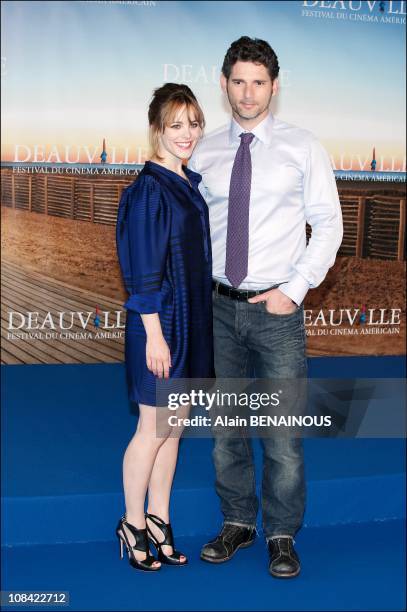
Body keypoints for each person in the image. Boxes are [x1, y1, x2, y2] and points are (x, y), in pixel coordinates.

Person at [189, 36, 343, 578]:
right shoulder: (202, 150)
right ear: (225, 83)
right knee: (227, 428)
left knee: (282, 433)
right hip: (217, 309)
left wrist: (294, 289)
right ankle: (237, 523)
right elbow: (192, 231)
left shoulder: (303, 146)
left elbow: (329, 225)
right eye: (238, 81)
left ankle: (281, 533)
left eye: (258, 82)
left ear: (274, 87)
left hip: (277, 310)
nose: (248, 93)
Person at [115, 83, 214, 572]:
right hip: (161, 327)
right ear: (156, 128)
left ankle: (159, 517)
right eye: (176, 125)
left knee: (173, 431)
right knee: (152, 428)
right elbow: (143, 269)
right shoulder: (149, 190)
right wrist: (154, 334)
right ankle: (131, 524)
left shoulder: (188, 182)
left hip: (190, 323)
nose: (187, 133)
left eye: (193, 123)